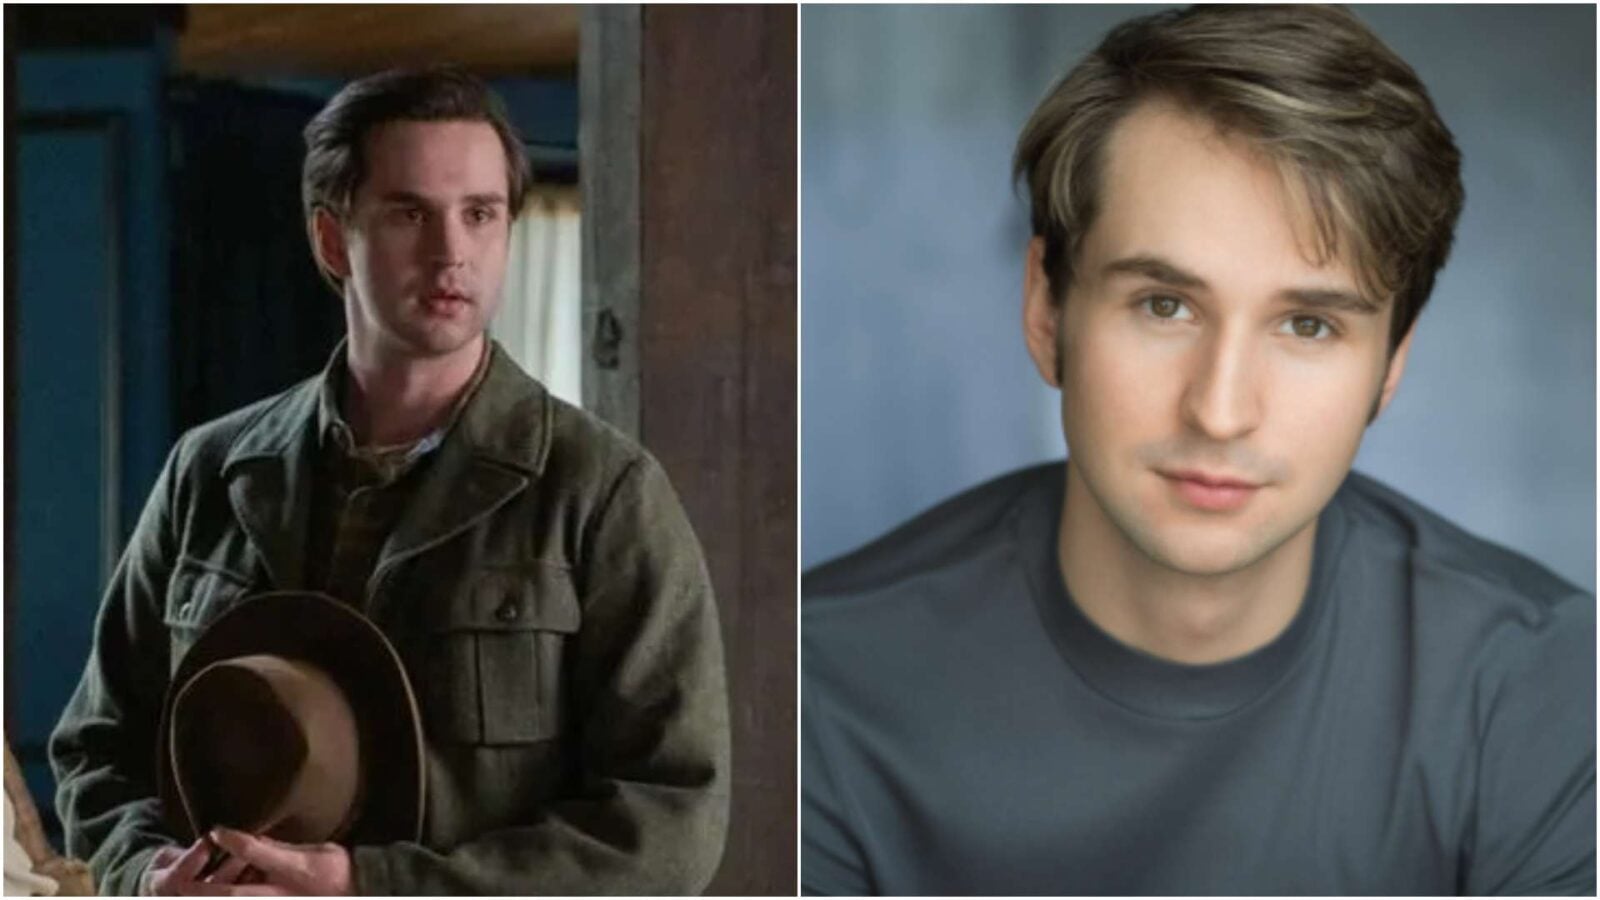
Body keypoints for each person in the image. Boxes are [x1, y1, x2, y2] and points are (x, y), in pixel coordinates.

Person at [801, 6, 1595, 895]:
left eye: (1307, 324)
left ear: (1391, 364)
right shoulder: (809, 684)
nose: (1220, 411)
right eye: (1163, 306)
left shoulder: (1538, 687)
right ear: (1045, 307)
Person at [50, 67, 730, 896]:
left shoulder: (602, 491)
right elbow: (99, 745)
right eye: (411, 213)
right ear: (334, 240)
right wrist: (147, 874)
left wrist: (372, 888)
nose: (453, 252)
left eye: (480, 214)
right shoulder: (212, 470)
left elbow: (667, 821)